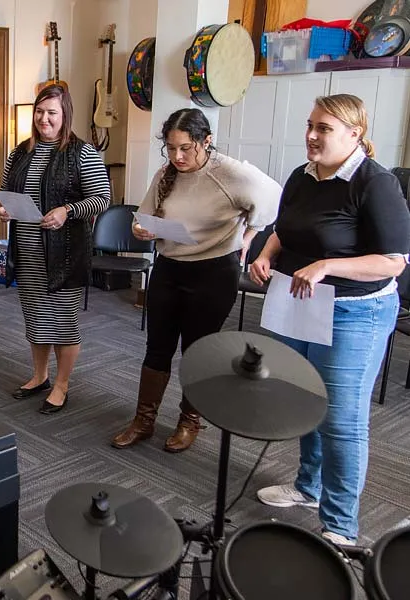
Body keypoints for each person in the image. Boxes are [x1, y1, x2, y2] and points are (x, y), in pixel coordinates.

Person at [251, 94, 410, 545]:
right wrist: (265, 254)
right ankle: (308, 487)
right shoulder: (303, 176)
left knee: (342, 418)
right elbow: (285, 227)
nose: (311, 135)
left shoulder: (374, 183)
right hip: (303, 302)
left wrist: (327, 265)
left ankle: (340, 525)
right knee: (307, 399)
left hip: (356, 311)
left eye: (324, 128)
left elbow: (394, 262)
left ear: (354, 133)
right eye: (310, 125)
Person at [111, 108, 280, 452]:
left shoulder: (232, 174)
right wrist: (140, 229)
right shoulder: (166, 173)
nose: (178, 156)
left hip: (213, 273)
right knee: (157, 347)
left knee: (197, 351)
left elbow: (276, 203)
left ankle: (189, 421)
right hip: (169, 268)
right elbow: (141, 218)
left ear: (207, 142)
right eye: (171, 148)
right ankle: (144, 420)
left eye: (186, 148)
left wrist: (249, 236)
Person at [0, 84, 112, 414]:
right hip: (29, 251)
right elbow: (7, 191)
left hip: (64, 254)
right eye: (40, 112)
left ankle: (61, 385)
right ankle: (39, 376)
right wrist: (4, 209)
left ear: (65, 116)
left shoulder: (82, 152)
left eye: (52, 113)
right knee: (35, 319)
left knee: (62, 322)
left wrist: (68, 211)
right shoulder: (19, 152)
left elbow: (102, 198)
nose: (44, 119)